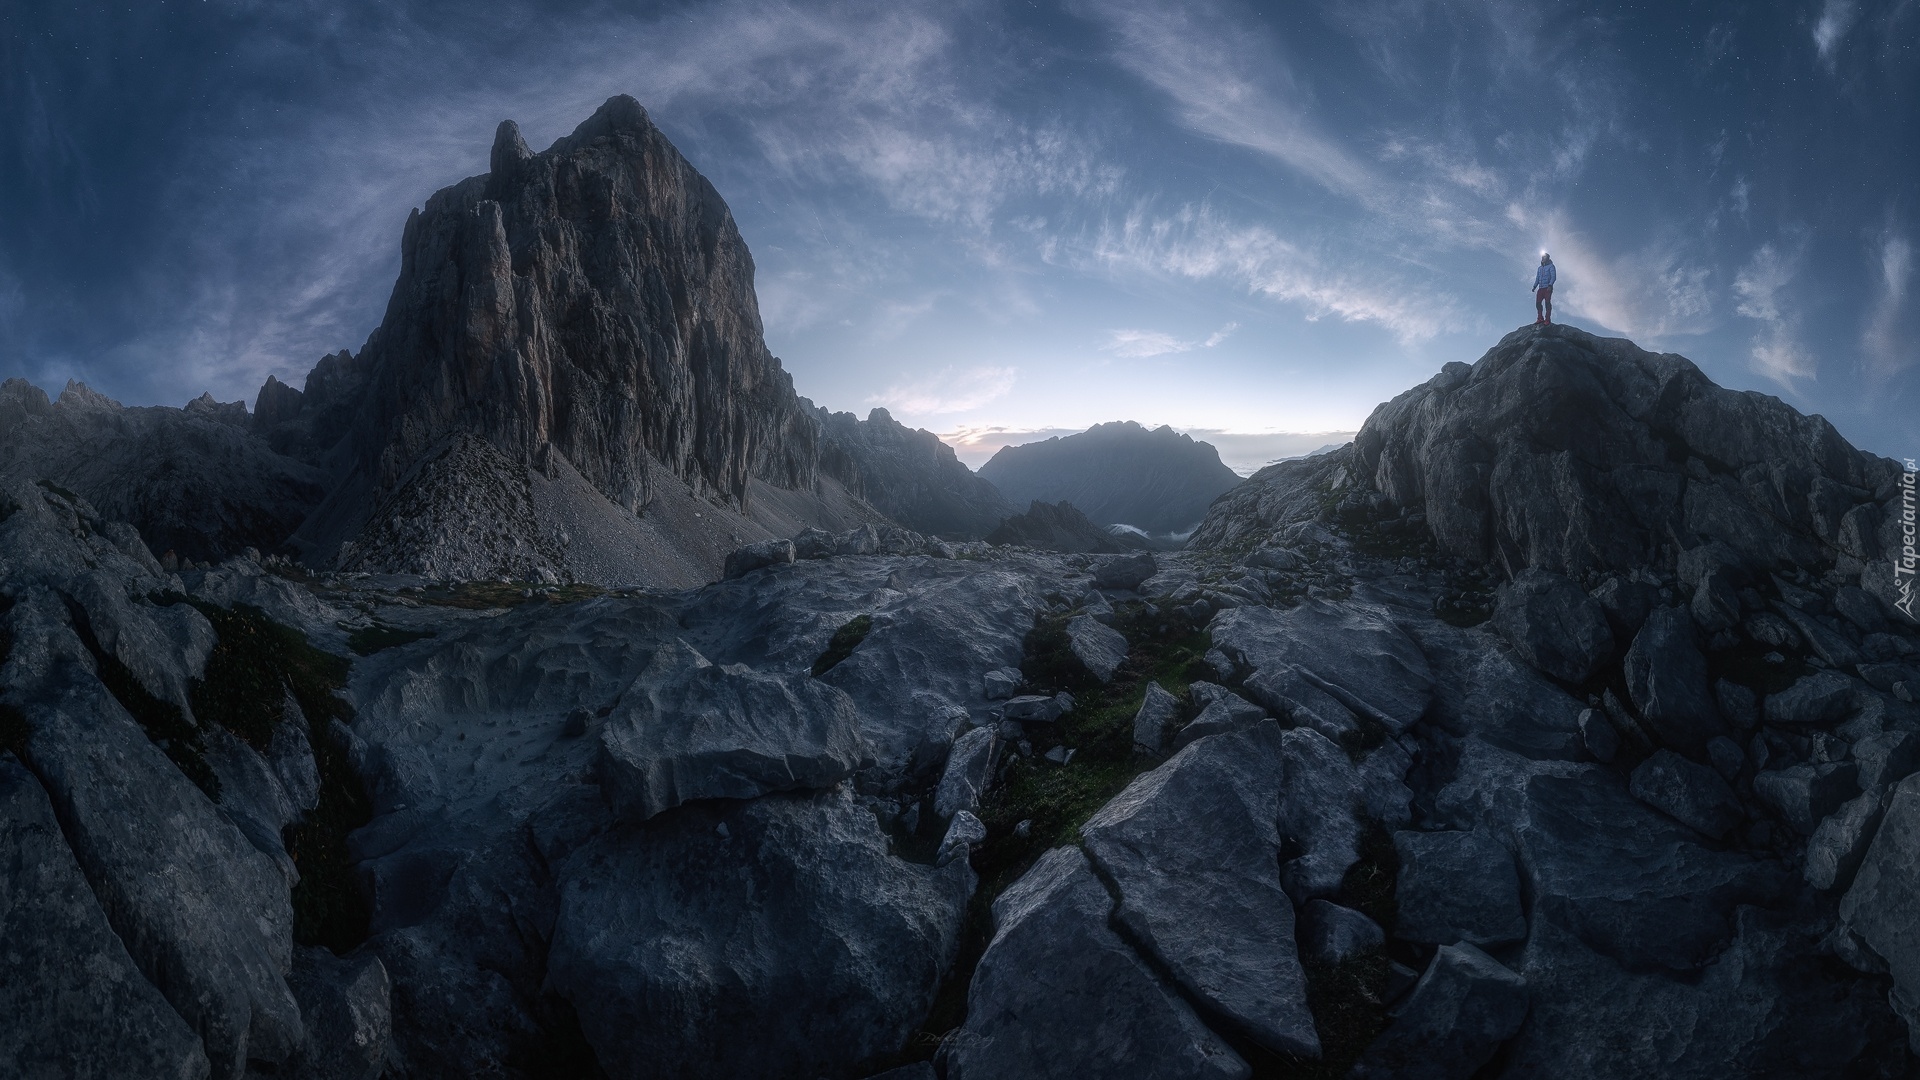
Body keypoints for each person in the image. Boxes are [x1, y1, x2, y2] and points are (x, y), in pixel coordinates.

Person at [1533, 253, 1556, 324]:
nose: (1543, 258)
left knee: (1547, 303)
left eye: (1544, 257)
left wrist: (1550, 285)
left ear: (1548, 258)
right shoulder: (1539, 268)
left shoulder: (1551, 266)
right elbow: (1537, 278)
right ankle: (1540, 318)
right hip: (1541, 288)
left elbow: (1553, 277)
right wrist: (1534, 286)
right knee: (1538, 303)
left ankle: (1547, 319)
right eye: (1542, 257)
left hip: (1548, 288)